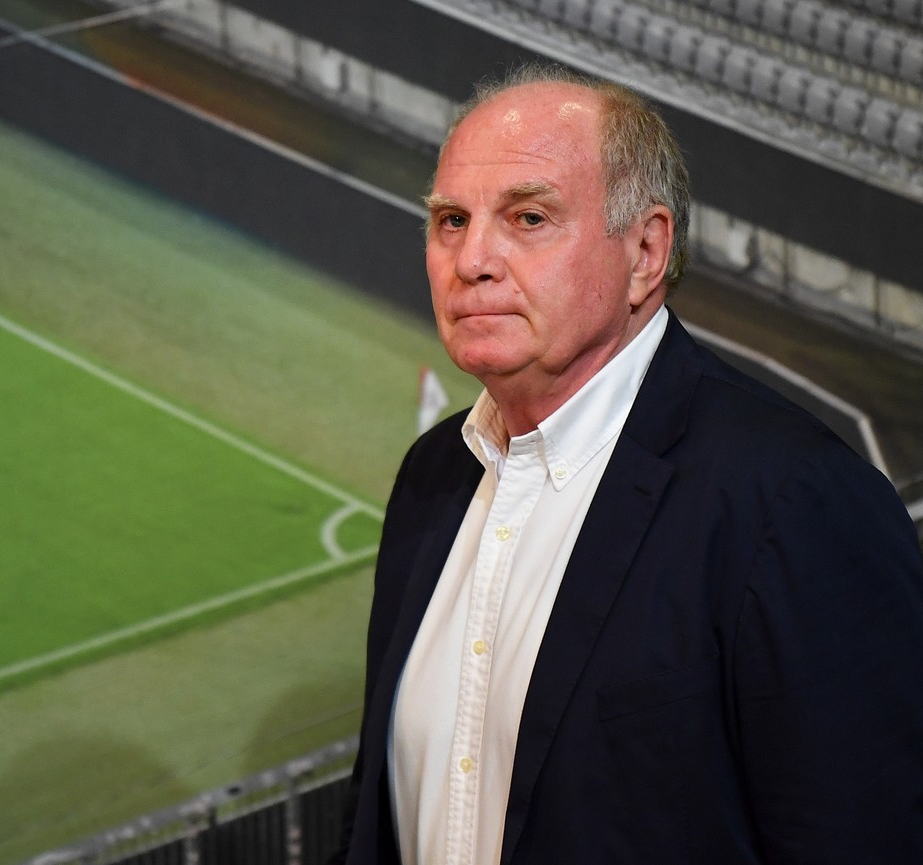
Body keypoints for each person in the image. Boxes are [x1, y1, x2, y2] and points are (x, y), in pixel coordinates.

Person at [333, 64, 923, 865]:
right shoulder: (433, 476)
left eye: (528, 217)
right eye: (449, 221)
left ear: (646, 251)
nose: (471, 259)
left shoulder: (793, 501)